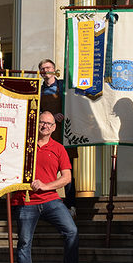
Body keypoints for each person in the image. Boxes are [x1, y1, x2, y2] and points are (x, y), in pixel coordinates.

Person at [13, 111, 85, 263]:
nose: (44, 126)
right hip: (25, 200)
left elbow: (67, 178)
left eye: (48, 123)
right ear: (36, 125)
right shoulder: (23, 146)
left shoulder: (59, 148)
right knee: (24, 243)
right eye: (41, 122)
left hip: (50, 199)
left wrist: (45, 186)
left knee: (72, 231)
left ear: (54, 128)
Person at [38, 59, 77, 217]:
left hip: (64, 133)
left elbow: (75, 105)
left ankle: (71, 204)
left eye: (48, 67)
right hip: (45, 133)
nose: (45, 71)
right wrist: (50, 117)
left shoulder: (64, 88)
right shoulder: (38, 90)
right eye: (42, 69)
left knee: (67, 170)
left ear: (54, 69)